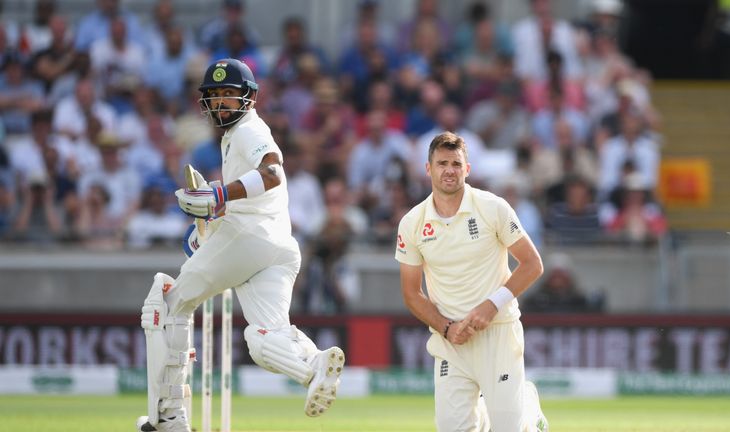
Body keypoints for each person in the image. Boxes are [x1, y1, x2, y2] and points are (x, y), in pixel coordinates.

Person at [136, 58, 344, 432]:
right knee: (263, 339)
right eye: (214, 97)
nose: (220, 104)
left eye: (228, 96)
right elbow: (251, 197)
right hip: (279, 247)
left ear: (248, 98)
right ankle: (313, 366)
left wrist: (218, 194)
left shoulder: (249, 129)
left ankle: (169, 416)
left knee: (168, 303)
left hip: (249, 237)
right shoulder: (233, 137)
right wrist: (211, 225)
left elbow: (273, 172)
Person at [395, 131, 548, 432]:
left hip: (498, 335)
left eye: (456, 164)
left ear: (467, 169)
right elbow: (412, 294)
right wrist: (447, 328)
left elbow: (532, 264)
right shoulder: (413, 222)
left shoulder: (492, 207)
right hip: (451, 341)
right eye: (442, 163)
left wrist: (492, 305)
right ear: (428, 169)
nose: (449, 170)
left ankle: (527, 411)